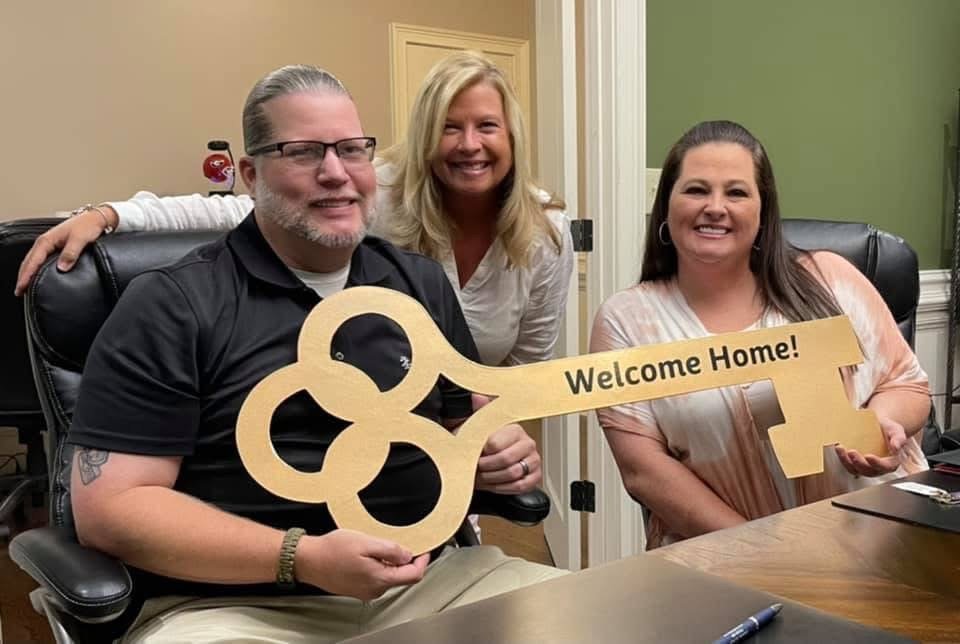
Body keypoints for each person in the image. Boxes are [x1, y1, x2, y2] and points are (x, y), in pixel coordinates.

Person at [63, 64, 564, 644]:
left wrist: (501, 457)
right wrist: (299, 556)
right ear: (251, 174)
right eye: (303, 152)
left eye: (352, 150)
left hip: (436, 583)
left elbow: (465, 436)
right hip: (231, 609)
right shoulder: (172, 305)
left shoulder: (420, 284)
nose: (336, 174)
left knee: (600, 620)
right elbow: (111, 511)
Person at [16, 51, 574, 369]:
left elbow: (528, 367)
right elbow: (243, 209)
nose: (469, 145)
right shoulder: (370, 189)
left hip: (456, 444)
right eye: (450, 127)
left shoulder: (544, 233)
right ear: (426, 136)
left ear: (512, 136)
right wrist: (110, 216)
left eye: (487, 126)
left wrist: (481, 452)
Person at [590, 120, 930, 550]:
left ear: (763, 210)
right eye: (696, 190)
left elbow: (908, 384)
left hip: (879, 541)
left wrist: (883, 423)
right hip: (730, 559)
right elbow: (644, 470)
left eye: (736, 192)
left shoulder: (830, 277)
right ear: (666, 207)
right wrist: (765, 549)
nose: (715, 206)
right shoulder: (626, 321)